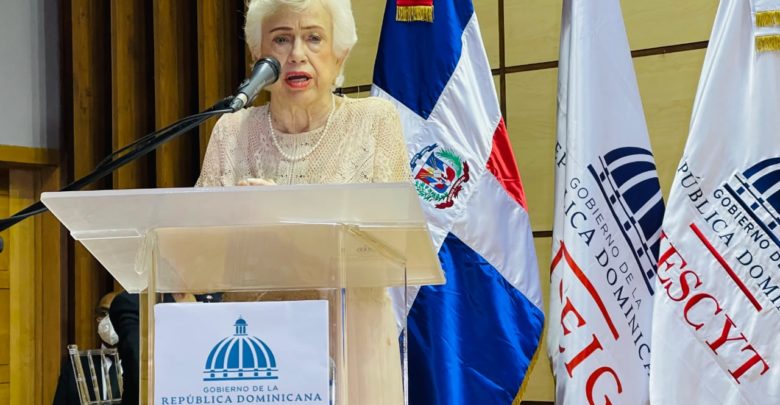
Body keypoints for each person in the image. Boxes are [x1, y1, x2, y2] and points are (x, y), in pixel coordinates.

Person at [196, 0, 408, 403]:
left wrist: (286, 216)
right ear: (257, 54)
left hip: (351, 343)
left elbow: (392, 246)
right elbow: (197, 256)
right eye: (281, 39)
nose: (296, 54)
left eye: (313, 38)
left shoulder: (374, 121)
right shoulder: (231, 130)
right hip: (257, 342)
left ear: (340, 53)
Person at [53, 292, 122, 404]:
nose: (108, 320)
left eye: (116, 313)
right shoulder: (76, 368)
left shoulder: (143, 367)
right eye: (103, 313)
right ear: (96, 318)